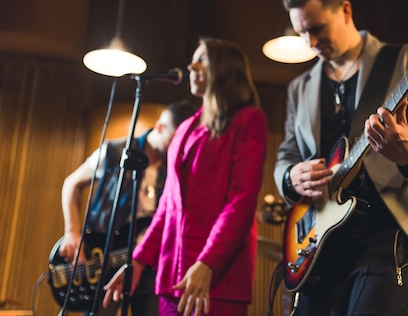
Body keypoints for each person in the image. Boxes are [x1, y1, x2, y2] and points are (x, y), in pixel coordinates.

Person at [273, 0, 408, 316]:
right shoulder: (299, 87)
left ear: (345, 11)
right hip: (321, 245)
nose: (311, 43)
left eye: (317, 29)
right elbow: (287, 154)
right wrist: (290, 176)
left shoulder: (402, 60)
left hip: (390, 236)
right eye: (302, 34)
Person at [102, 38, 268, 316]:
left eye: (202, 59)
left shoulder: (248, 120)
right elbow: (167, 207)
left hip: (217, 278)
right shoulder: (186, 128)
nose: (191, 66)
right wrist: (137, 261)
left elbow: (241, 202)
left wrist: (208, 264)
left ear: (225, 70)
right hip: (173, 277)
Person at [59, 100, 196, 316]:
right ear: (160, 128)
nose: (179, 147)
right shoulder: (115, 151)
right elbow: (71, 184)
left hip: (149, 265)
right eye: (175, 139)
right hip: (105, 256)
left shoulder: (177, 169)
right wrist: (72, 232)